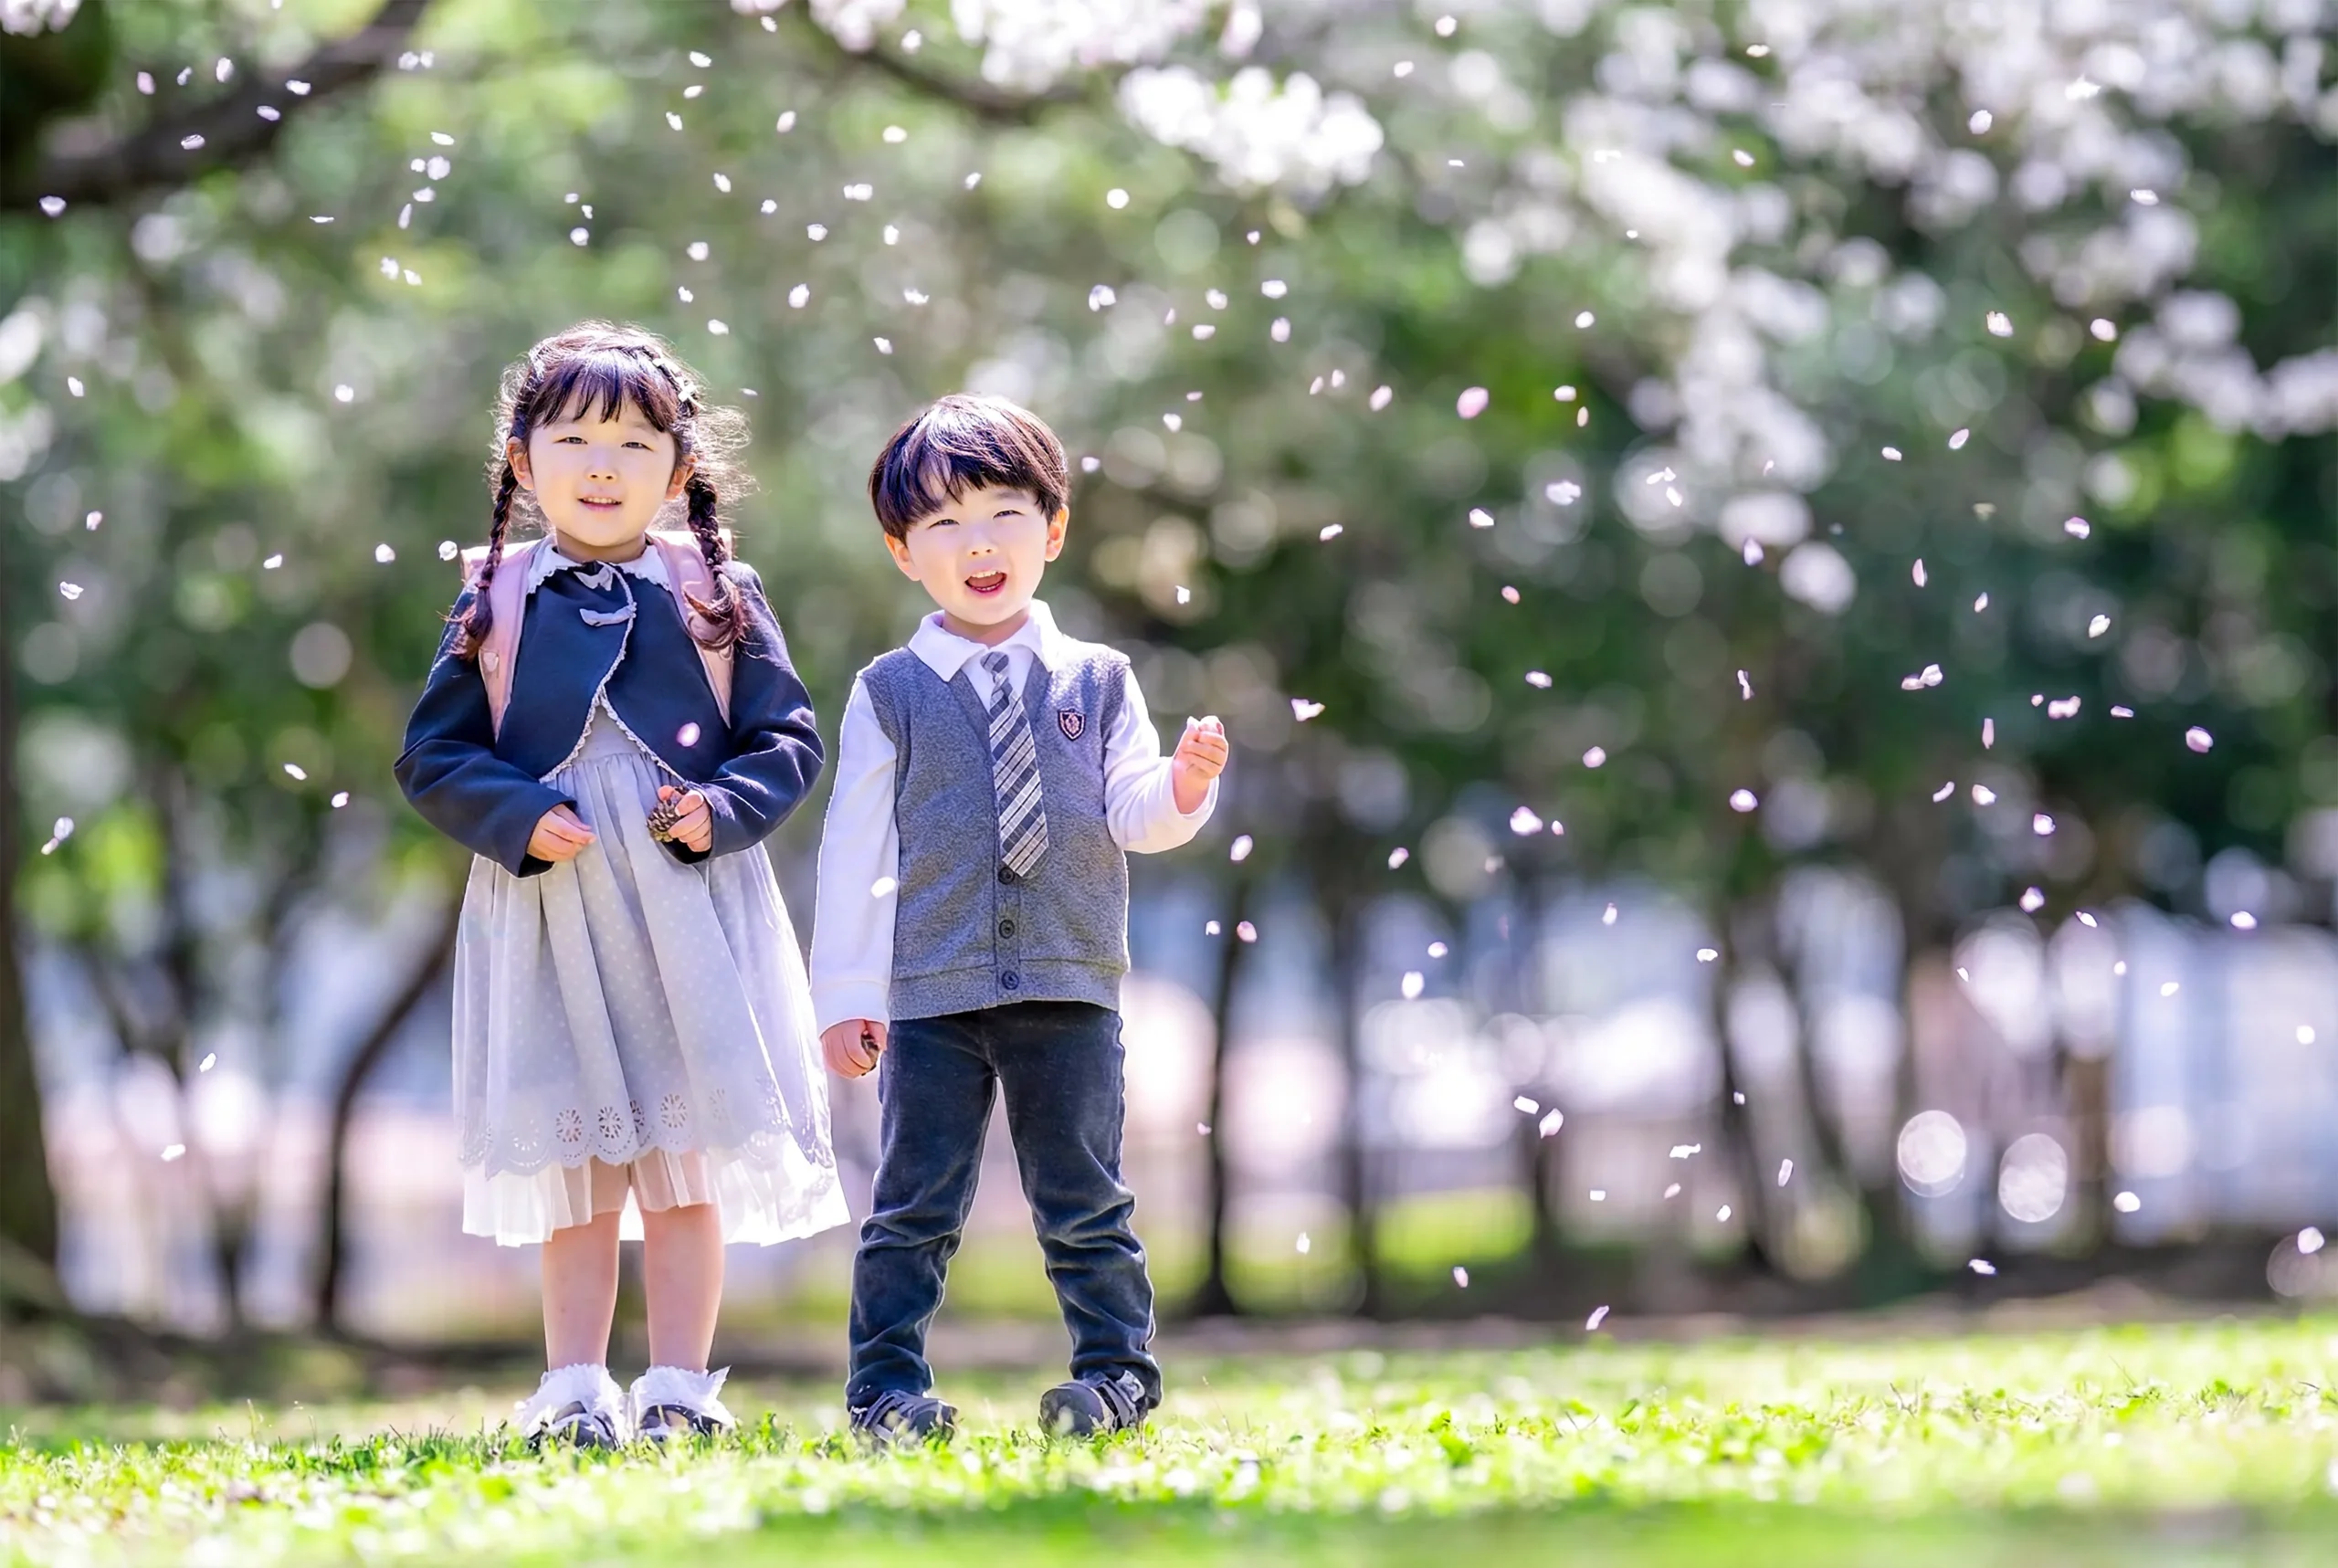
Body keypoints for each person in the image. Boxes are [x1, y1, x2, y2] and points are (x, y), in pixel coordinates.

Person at [395, 322, 848, 1447]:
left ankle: (683, 1386)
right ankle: (574, 1385)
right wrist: (515, 815)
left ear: (678, 470)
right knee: (580, 1161)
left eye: (636, 442)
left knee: (682, 1160)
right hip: (552, 908)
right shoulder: (495, 596)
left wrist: (723, 808)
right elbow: (432, 756)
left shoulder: (716, 596)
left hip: (686, 907)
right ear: (522, 459)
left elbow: (785, 737)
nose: (603, 465)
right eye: (576, 438)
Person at [810, 394, 1230, 1444]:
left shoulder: (1100, 677)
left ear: (1052, 529)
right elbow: (856, 852)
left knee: (1085, 1196)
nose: (978, 543)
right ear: (904, 553)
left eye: (1002, 512)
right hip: (930, 993)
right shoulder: (888, 691)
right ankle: (885, 1392)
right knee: (913, 1206)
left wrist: (1182, 789)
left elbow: (1132, 810)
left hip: (1069, 981)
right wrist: (848, 996)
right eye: (943, 523)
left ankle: (1115, 1379)